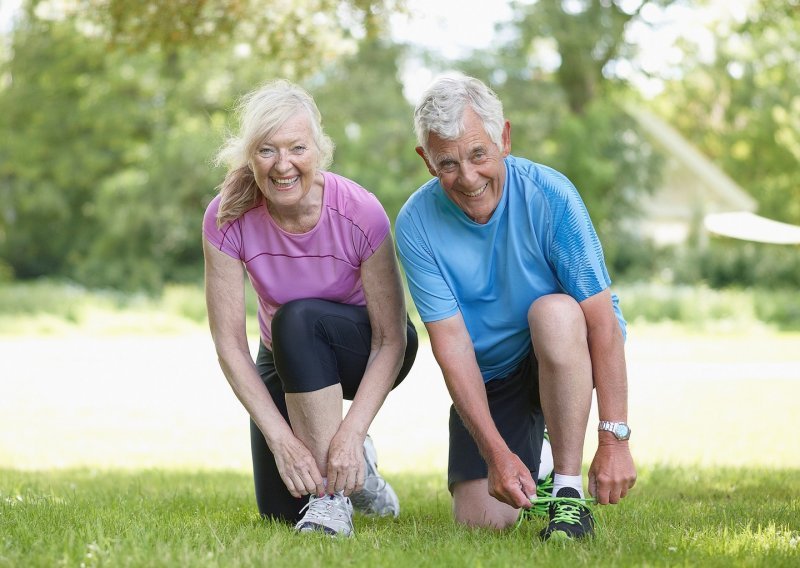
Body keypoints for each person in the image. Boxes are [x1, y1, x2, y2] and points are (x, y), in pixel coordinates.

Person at [395, 73, 636, 540]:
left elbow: (602, 325)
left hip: (567, 348)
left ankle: (566, 494)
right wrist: (494, 453)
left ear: (503, 138)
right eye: (447, 163)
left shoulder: (551, 194)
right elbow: (453, 347)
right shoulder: (415, 224)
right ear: (426, 161)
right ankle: (537, 460)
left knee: (555, 312)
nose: (467, 178)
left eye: (478, 154)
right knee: (482, 519)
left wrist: (614, 439)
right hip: (494, 373)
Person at [203, 79, 418, 537]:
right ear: (249, 155)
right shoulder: (227, 216)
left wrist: (351, 433)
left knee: (297, 317)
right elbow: (229, 345)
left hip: (368, 351)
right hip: (282, 356)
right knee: (281, 510)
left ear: (318, 149)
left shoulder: (360, 211)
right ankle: (355, 477)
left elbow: (390, 338)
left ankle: (333, 494)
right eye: (266, 150)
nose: (283, 165)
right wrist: (281, 441)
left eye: (297, 147)